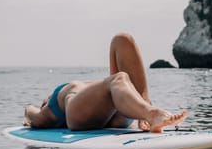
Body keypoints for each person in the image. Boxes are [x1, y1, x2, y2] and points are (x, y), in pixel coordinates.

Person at [23, 33, 187, 133]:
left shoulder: (53, 106)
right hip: (94, 114)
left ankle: (148, 112)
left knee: (123, 39)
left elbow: (32, 113)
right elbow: (34, 115)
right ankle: (150, 113)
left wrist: (28, 112)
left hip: (116, 107)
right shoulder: (55, 105)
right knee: (119, 79)